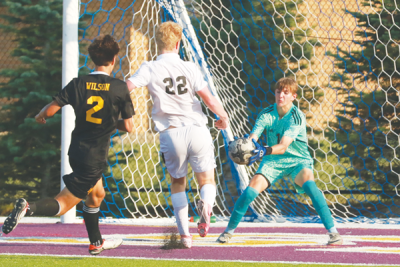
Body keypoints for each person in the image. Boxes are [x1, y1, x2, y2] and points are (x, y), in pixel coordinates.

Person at [1, 35, 135, 255]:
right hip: (94, 156)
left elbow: (51, 110)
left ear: (93, 59)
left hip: (76, 150)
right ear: (114, 59)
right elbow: (129, 127)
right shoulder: (119, 88)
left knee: (96, 195)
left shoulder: (79, 83)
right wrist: (110, 122)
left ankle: (96, 243)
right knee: (63, 204)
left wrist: (40, 115)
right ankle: (28, 207)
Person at [126, 21, 229, 248]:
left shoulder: (149, 67)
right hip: (197, 130)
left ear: (157, 42)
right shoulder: (190, 67)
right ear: (178, 43)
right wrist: (223, 116)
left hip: (171, 134)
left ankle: (185, 237)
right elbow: (209, 99)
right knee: (207, 180)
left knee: (178, 183)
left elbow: (127, 87)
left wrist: (119, 108)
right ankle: (206, 206)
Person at [217, 77, 343, 246]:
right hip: (272, 163)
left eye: (286, 92)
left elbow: (283, 146)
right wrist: (247, 147)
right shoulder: (267, 114)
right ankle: (228, 232)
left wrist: (264, 150)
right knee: (249, 193)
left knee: (311, 187)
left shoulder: (296, 117)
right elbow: (254, 136)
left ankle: (333, 233)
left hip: (297, 161)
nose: (281, 95)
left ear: (294, 96)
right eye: (278, 92)